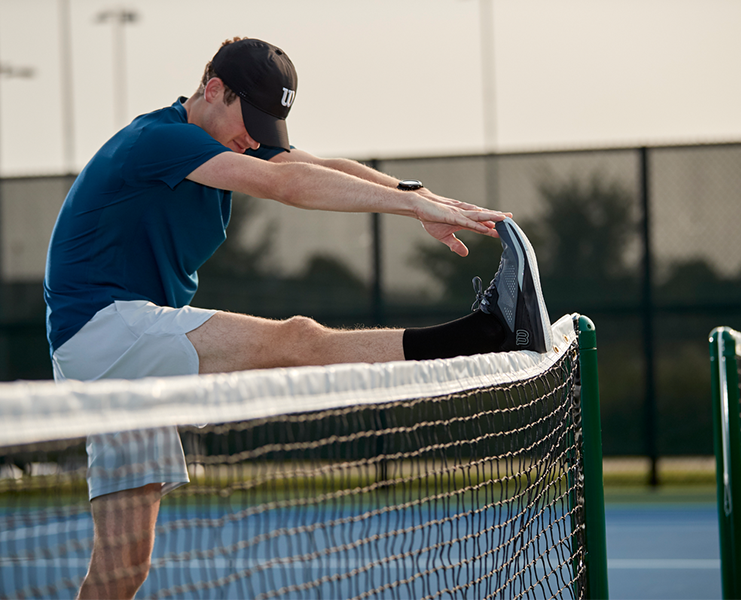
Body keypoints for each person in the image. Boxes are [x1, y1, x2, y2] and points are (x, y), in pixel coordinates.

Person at [43, 37, 551, 599]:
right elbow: (287, 184)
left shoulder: (224, 138)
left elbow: (313, 166)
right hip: (104, 328)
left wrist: (420, 195)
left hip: (120, 348)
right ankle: (485, 334)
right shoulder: (161, 140)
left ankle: (491, 330)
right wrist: (411, 207)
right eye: (251, 120)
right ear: (213, 90)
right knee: (297, 339)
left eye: (269, 125)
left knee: (123, 568)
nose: (258, 138)